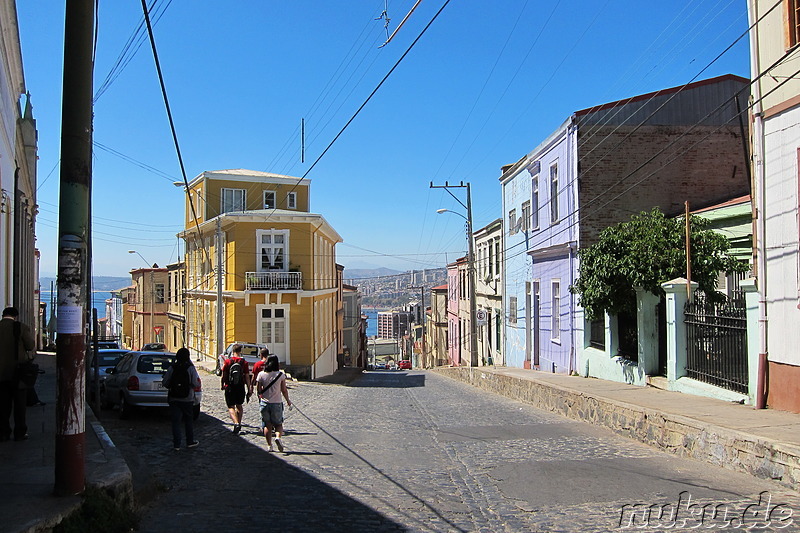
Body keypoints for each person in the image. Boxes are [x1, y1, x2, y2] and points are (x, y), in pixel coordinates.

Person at [0, 307, 35, 442]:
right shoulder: (20, 327)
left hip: (1, 374)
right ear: (16, 316)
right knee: (20, 406)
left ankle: (3, 432)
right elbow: (30, 345)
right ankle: (20, 432)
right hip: (18, 372)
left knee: (3, 405)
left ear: (3, 315)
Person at [162, 348, 201, 450]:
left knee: (176, 422)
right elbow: (195, 383)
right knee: (188, 421)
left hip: (174, 398)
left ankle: (177, 444)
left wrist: (173, 386)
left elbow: (165, 382)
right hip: (187, 398)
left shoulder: (172, 367)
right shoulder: (190, 368)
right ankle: (189, 441)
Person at [255, 354, 292, 452]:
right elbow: (284, 390)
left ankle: (269, 446)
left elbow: (258, 389)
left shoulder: (261, 374)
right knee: (278, 424)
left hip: (264, 403)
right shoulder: (280, 375)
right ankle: (278, 437)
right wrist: (288, 401)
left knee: (267, 425)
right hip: (277, 403)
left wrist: (261, 395)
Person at [220, 344, 252, 435]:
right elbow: (247, 376)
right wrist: (249, 388)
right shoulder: (244, 362)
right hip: (240, 386)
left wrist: (222, 384)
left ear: (232, 351)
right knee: (239, 406)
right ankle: (239, 423)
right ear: (240, 351)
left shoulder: (227, 361)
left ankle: (236, 423)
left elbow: (223, 375)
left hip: (229, 387)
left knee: (231, 406)